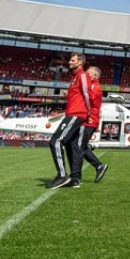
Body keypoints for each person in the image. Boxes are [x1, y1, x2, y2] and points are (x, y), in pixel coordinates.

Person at [46, 53, 90, 189]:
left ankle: (62, 175)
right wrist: (69, 94)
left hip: (76, 114)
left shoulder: (82, 75)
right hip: (75, 113)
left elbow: (87, 94)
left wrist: (88, 112)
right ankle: (75, 179)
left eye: (72, 60)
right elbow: (79, 94)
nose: (69, 63)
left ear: (80, 62)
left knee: (55, 141)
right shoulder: (74, 77)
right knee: (71, 145)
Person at [70, 66, 108, 187]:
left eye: (87, 74)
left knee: (78, 147)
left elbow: (88, 99)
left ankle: (76, 177)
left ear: (93, 76)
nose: (85, 75)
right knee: (78, 145)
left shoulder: (94, 86)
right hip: (88, 120)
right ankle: (97, 166)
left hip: (88, 121)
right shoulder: (93, 85)